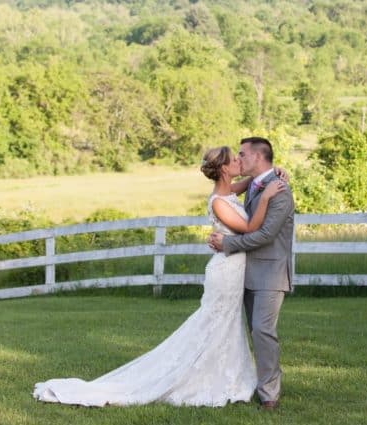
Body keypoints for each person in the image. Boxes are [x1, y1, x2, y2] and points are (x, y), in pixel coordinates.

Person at [32, 146, 286, 407]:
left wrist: (270, 174)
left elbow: (247, 183)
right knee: (214, 323)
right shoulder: (220, 202)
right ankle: (200, 379)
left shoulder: (228, 192)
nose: (239, 162)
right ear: (223, 169)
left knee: (227, 325)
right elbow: (249, 228)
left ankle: (227, 376)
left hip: (233, 268)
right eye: (234, 159)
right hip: (225, 271)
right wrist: (266, 197)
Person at [209, 136, 295, 410]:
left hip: (270, 273)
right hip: (243, 273)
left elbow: (267, 234)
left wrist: (228, 244)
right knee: (251, 331)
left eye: (243, 154)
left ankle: (270, 395)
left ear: (258, 157)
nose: (239, 159)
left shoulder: (279, 190)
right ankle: (250, 383)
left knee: (262, 330)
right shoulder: (255, 186)